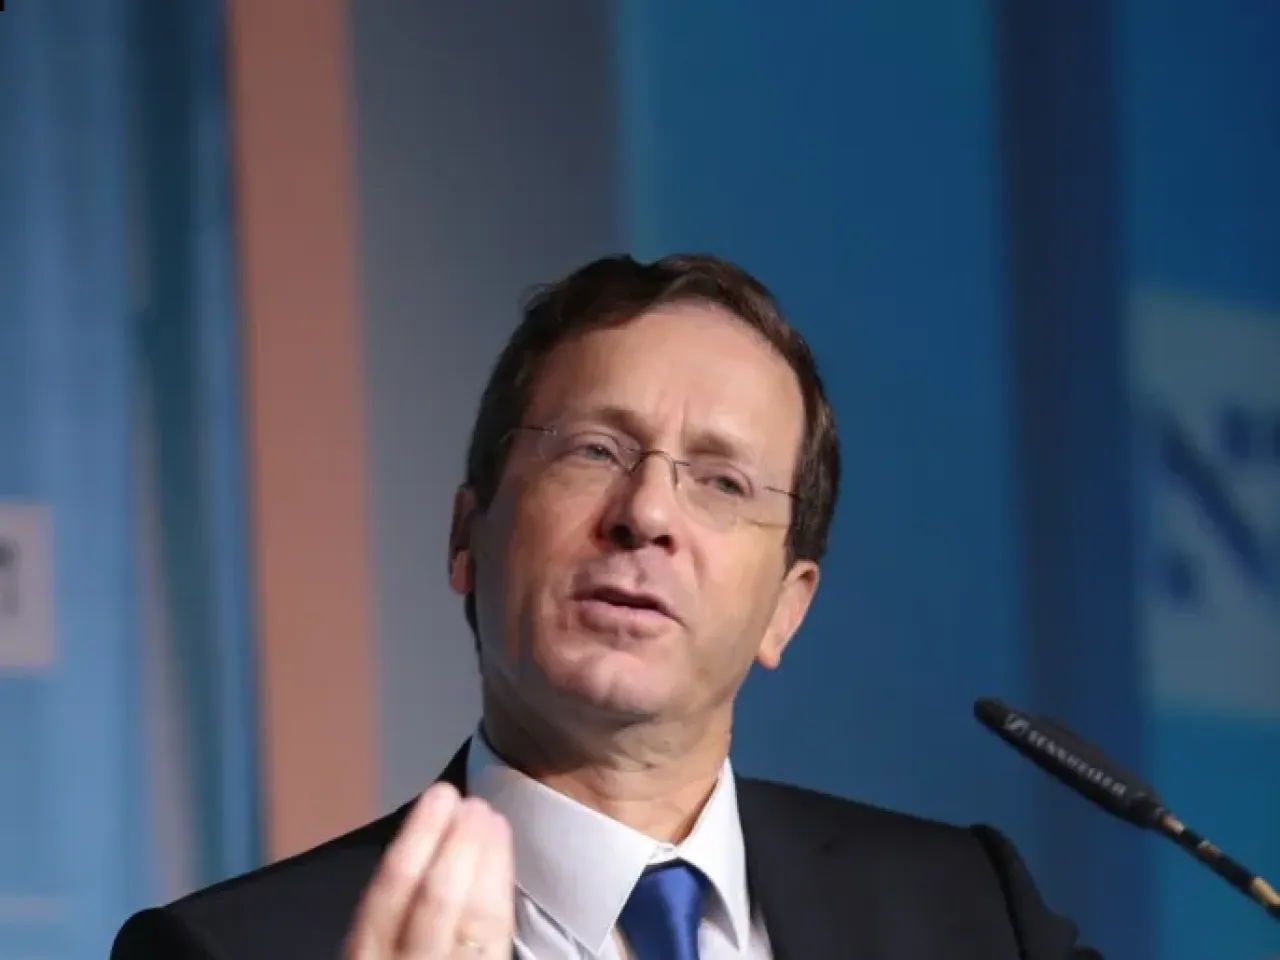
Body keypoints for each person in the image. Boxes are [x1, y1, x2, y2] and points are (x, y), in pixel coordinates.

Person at [112, 254, 1100, 959]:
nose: (647, 515)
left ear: (785, 609)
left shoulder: (972, 916)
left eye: (722, 481)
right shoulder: (226, 951)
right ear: (467, 536)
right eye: (594, 450)